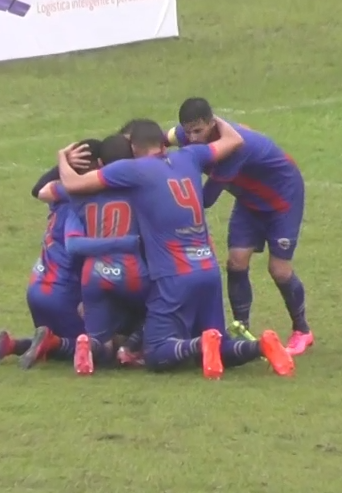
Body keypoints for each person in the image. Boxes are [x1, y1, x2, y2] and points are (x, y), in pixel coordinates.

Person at [58, 119, 294, 379]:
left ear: (134, 149)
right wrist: (214, 120)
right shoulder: (190, 155)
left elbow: (72, 185)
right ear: (162, 143)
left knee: (156, 352)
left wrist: (62, 157)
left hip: (174, 275)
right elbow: (234, 139)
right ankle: (261, 345)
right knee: (221, 342)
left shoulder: (132, 169)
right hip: (207, 269)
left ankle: (200, 344)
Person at [166, 98, 314, 356]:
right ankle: (240, 328)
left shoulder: (234, 148)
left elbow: (206, 199)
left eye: (198, 131)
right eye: (188, 132)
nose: (192, 138)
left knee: (279, 269)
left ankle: (302, 330)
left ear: (211, 123)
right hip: (249, 200)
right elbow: (158, 140)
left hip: (282, 200)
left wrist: (162, 198)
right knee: (235, 262)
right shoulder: (188, 134)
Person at [0, 140, 105, 369]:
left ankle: (11, 344)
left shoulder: (58, 192)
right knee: (98, 349)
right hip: (63, 293)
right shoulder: (91, 201)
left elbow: (38, 189)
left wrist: (62, 161)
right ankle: (49, 341)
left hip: (37, 287)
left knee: (59, 340)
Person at [63, 134, 150, 374]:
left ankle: (89, 345)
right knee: (165, 302)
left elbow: (72, 244)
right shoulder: (141, 190)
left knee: (103, 345)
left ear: (100, 164)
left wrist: (62, 159)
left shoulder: (79, 194)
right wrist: (127, 242)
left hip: (94, 275)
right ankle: (131, 347)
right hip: (131, 271)